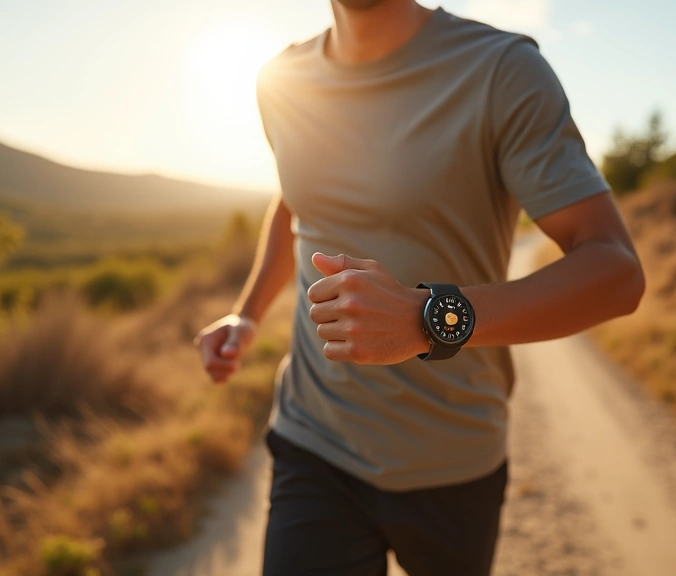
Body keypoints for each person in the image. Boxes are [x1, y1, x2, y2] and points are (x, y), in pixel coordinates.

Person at [194, 0, 644, 574]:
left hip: (451, 458)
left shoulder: (500, 70)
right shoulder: (280, 80)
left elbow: (615, 271)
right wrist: (248, 313)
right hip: (313, 441)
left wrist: (426, 317)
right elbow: (295, 202)